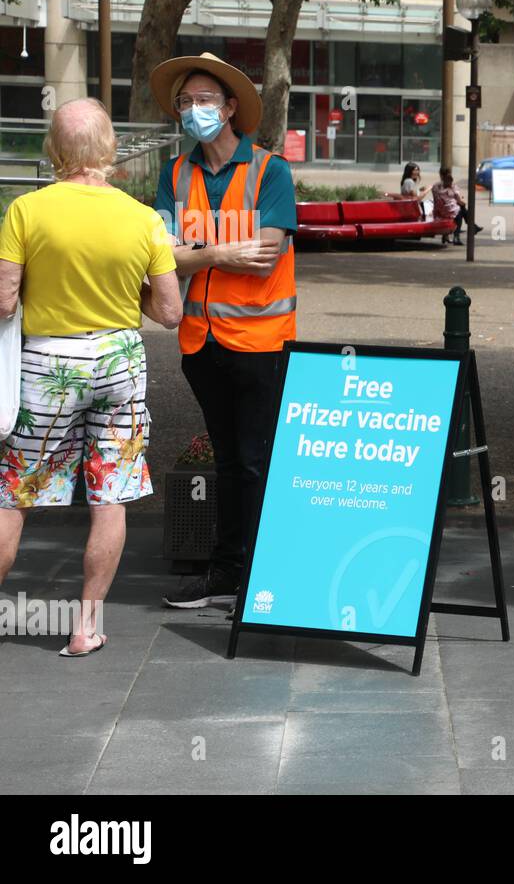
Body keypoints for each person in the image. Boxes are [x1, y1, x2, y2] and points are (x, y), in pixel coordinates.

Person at [0, 98, 182, 656]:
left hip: (47, 364)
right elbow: (171, 314)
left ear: (54, 151)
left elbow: (4, 301)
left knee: (12, 496)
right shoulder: (144, 218)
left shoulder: (26, 212)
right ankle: (85, 626)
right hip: (120, 360)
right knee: (112, 495)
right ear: (109, 152)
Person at [150, 52, 299, 611]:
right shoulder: (175, 173)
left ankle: (260, 575)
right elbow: (160, 257)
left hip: (262, 345)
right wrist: (218, 252)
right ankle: (228, 572)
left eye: (205, 100)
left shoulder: (270, 169)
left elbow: (267, 254)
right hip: (200, 345)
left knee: (257, 460)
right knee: (230, 462)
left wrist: (194, 256)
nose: (194, 110)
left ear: (231, 107)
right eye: (185, 102)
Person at [431, 166, 472, 245]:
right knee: (460, 211)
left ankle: (446, 236)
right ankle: (459, 235)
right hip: (449, 211)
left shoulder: (435, 186)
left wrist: (435, 211)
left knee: (458, 209)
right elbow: (458, 201)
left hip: (439, 211)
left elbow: (437, 201)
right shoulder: (451, 186)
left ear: (440, 174)